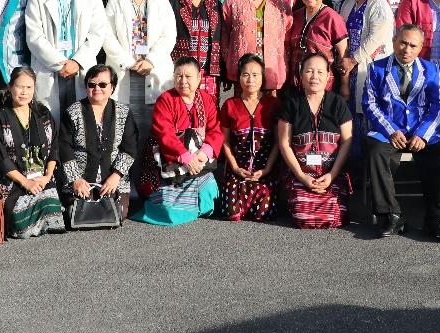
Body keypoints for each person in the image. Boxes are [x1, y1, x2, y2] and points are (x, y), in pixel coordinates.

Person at [362, 24, 440, 241]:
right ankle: (392, 215)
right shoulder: (376, 68)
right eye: (403, 43)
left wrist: (422, 134)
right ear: (394, 41)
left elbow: (438, 106)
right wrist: (391, 131)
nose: (407, 49)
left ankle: (437, 220)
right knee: (375, 152)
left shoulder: (431, 69)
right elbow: (370, 104)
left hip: (420, 131)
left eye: (413, 45)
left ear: (421, 48)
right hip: (388, 131)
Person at [134, 58, 224, 226]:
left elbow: (215, 131)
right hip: (168, 162)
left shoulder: (207, 100)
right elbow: (164, 133)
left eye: (188, 76)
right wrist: (185, 157)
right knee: (166, 207)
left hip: (198, 162)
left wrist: (204, 154)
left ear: (199, 77)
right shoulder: (165, 99)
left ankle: (194, 206)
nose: (183, 81)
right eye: (178, 76)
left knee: (209, 190)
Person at [0, 66, 66, 238]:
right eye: (20, 86)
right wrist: (25, 182)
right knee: (22, 226)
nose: (24, 92)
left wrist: (47, 176)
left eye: (29, 87)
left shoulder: (43, 113)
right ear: (10, 87)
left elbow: (54, 148)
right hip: (11, 180)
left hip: (40, 177)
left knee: (52, 209)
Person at [24, 0, 108, 115]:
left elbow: (97, 34)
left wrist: (76, 62)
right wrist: (60, 64)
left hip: (81, 68)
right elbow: (34, 37)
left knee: (82, 120)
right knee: (50, 121)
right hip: (50, 69)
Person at [277, 53, 354, 228]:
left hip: (331, 174)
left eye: (320, 72)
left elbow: (347, 141)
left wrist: (332, 175)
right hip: (301, 174)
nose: (314, 76)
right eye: (309, 71)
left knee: (336, 215)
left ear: (328, 76)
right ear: (300, 74)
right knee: (302, 216)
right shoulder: (292, 104)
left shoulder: (338, 103)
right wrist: (302, 176)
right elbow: (284, 143)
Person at [102, 0, 175, 136]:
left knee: (153, 126)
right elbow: (107, 37)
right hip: (125, 68)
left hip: (154, 69)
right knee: (124, 126)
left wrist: (151, 60)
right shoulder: (115, 2)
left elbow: (169, 36)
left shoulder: (161, 2)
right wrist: (128, 62)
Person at [60, 64, 138, 223]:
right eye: (92, 84)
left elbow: (129, 147)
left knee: (117, 213)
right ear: (86, 87)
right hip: (81, 180)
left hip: (114, 180)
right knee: (77, 214)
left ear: (112, 87)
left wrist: (116, 176)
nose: (97, 89)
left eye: (103, 84)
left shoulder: (123, 112)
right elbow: (64, 147)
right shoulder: (73, 112)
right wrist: (75, 179)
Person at [217, 54, 281, 222]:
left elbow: (278, 142)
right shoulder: (230, 105)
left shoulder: (273, 104)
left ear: (262, 78)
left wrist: (267, 169)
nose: (250, 80)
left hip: (265, 172)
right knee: (231, 213)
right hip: (237, 171)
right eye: (245, 74)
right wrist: (235, 168)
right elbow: (225, 141)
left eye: (255, 75)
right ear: (239, 77)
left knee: (264, 214)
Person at [221, 0, 293, 91]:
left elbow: (287, 36)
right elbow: (224, 33)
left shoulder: (281, 5)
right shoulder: (232, 2)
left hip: (272, 67)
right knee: (243, 101)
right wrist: (227, 60)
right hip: (243, 67)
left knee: (270, 102)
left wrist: (285, 63)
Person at [337, 0, 395, 103]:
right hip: (350, 67)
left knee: (371, 104)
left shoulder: (379, 5)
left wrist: (353, 60)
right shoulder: (348, 2)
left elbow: (375, 39)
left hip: (372, 65)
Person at [288, 0, 349, 92]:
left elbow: (343, 55)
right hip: (296, 83)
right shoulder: (295, 16)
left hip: (321, 84)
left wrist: (344, 85)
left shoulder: (332, 17)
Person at [170, 0, 224, 89]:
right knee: (181, 101)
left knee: (207, 102)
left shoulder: (215, 4)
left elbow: (222, 36)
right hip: (181, 71)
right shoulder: (173, 2)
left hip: (208, 71)